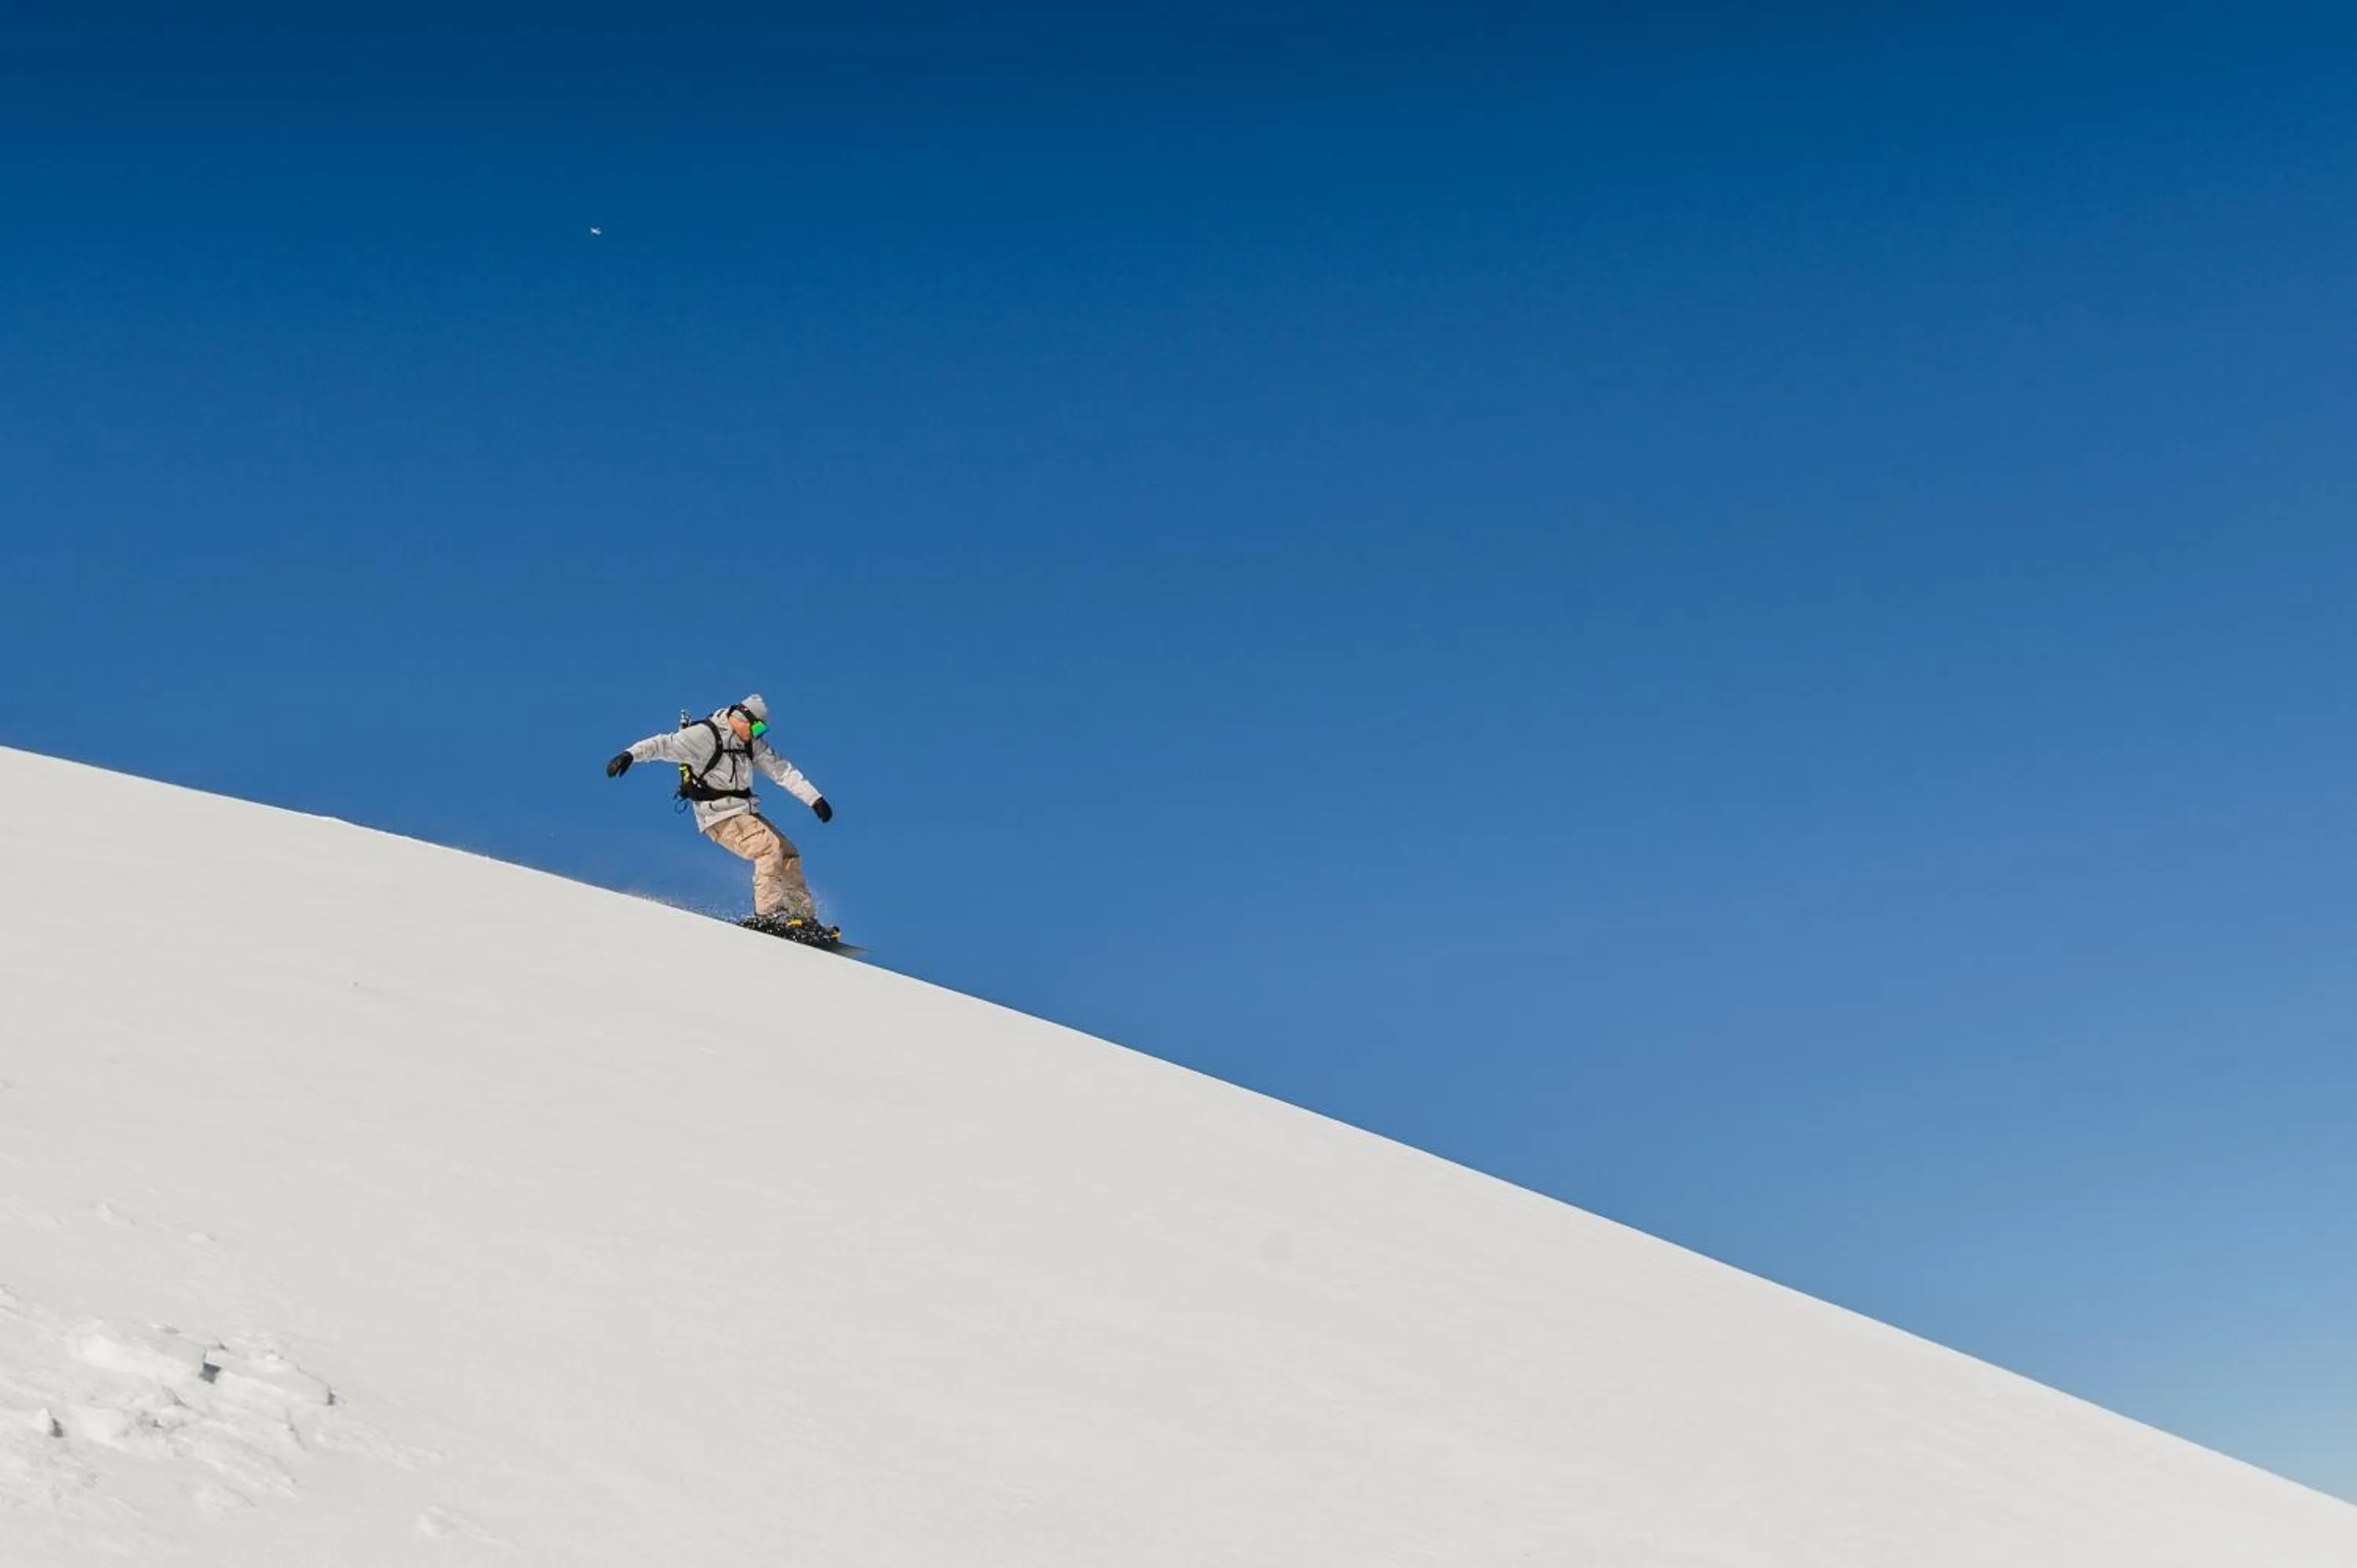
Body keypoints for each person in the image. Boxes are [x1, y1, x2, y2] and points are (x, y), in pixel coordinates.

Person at [605, 694, 837, 940]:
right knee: (768, 848)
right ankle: (768, 915)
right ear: (742, 719)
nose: (759, 733)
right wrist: (629, 755)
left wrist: (815, 799)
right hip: (718, 817)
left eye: (762, 728)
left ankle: (801, 917)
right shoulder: (705, 736)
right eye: (757, 726)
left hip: (743, 811)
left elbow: (782, 771)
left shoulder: (751, 744)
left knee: (788, 852)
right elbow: (663, 745)